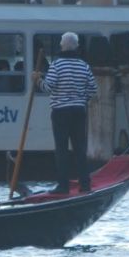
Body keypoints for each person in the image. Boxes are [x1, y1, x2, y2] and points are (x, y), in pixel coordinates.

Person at [34, 32, 99, 193]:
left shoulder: (57, 65)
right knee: (79, 149)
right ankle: (85, 185)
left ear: (62, 46)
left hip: (60, 112)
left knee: (62, 150)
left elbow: (48, 87)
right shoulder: (83, 65)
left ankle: (63, 186)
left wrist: (37, 80)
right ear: (76, 47)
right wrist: (81, 99)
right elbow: (93, 89)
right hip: (78, 111)